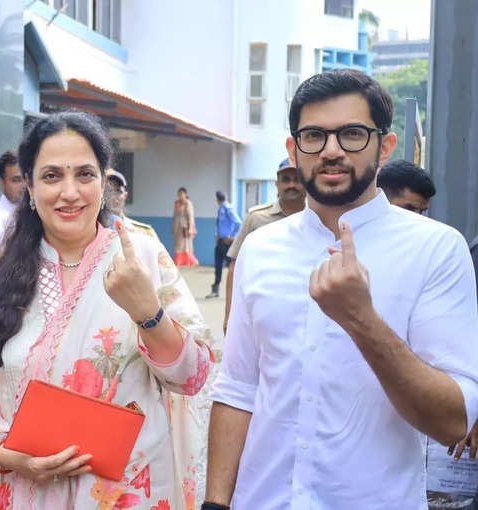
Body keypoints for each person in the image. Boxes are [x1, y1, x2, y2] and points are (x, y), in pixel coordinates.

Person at [204, 69, 478, 510]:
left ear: (384, 147)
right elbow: (238, 388)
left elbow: (452, 422)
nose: (331, 150)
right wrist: (215, 503)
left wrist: (361, 320)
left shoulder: (436, 250)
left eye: (352, 133)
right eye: (313, 136)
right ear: (294, 150)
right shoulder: (260, 247)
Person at [0, 111, 213, 509]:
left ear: (104, 183)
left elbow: (194, 378)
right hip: (24, 491)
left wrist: (148, 313)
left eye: (85, 175)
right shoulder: (0, 275)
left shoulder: (141, 258)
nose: (69, 192)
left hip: (127, 494)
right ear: (31, 189)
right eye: (52, 176)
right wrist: (5, 452)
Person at [222, 159, 306, 331]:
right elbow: (235, 266)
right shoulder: (257, 218)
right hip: (261, 313)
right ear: (277, 184)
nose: (292, 185)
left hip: (304, 313)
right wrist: (229, 314)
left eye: (297, 179)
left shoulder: (318, 220)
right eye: (286, 179)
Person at [105, 168, 159, 238]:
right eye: (108, 191)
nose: (113, 197)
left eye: (118, 191)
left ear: (125, 196)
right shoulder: (91, 232)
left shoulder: (145, 233)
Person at [206, 191, 241, 299]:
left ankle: (238, 292)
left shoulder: (228, 208)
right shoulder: (221, 208)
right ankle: (215, 290)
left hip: (227, 243)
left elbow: (238, 222)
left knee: (232, 267)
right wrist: (217, 234)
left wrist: (231, 236)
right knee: (218, 266)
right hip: (220, 241)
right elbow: (220, 224)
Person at [0, 149, 25, 246]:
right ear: (2, 183)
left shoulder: (40, 214)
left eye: (27, 178)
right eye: (16, 180)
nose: (24, 186)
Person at [172, 187, 198, 266]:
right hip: (177, 228)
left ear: (185, 194)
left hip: (185, 228)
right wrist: (173, 227)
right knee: (178, 245)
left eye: (181, 194)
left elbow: (191, 217)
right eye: (179, 194)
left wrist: (190, 228)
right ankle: (178, 261)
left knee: (186, 245)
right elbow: (175, 215)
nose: (180, 196)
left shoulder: (188, 203)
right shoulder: (176, 203)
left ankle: (188, 261)